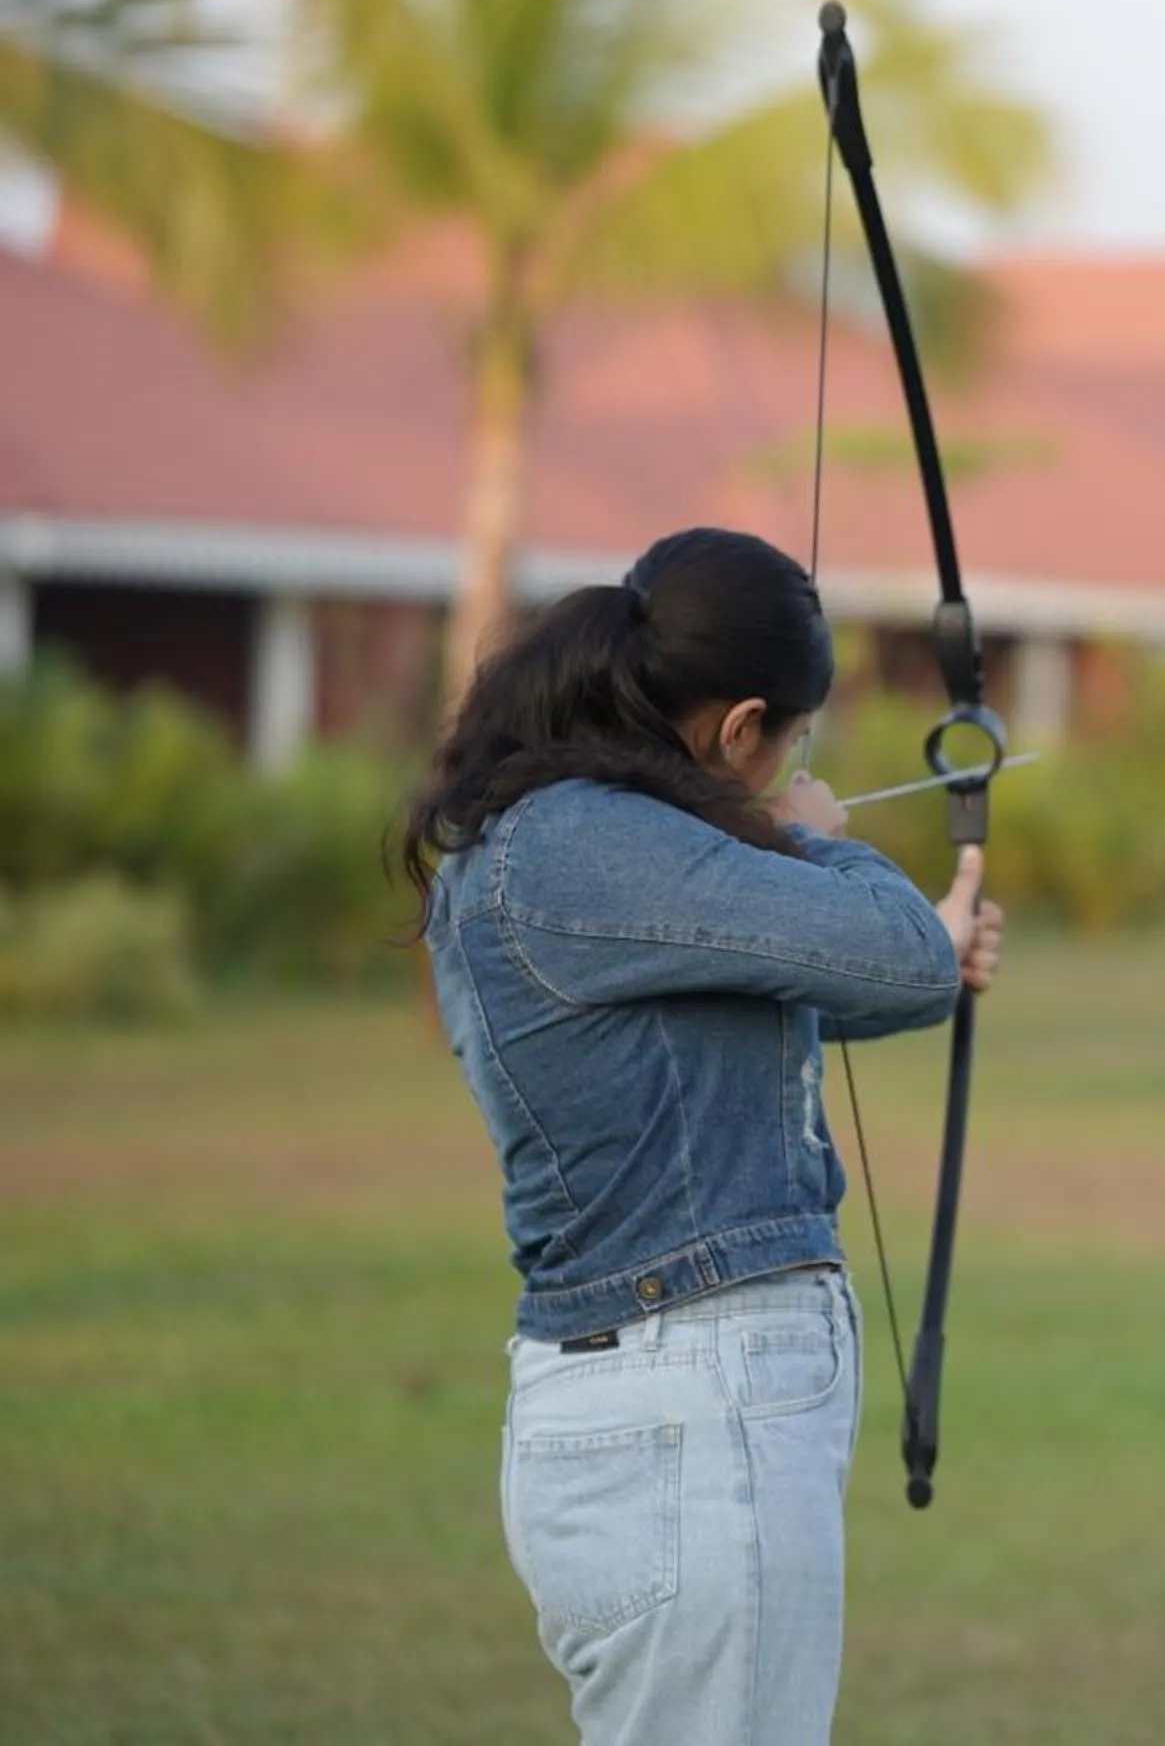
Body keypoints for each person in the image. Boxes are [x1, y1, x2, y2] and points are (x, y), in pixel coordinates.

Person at [401, 526, 1003, 1746]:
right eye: (793, 741)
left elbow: (843, 986)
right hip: (692, 1403)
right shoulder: (585, 841)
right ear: (739, 729)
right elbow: (892, 949)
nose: (792, 770)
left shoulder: (572, 838)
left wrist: (928, 945)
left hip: (660, 1404)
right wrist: (805, 836)